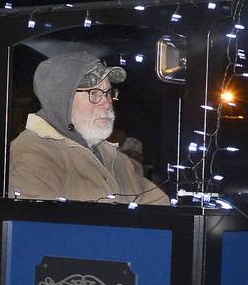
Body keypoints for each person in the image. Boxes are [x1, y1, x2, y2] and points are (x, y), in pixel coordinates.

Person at [9, 52, 168, 204]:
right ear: (63, 101)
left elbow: (162, 211)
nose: (107, 103)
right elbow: (38, 229)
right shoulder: (29, 159)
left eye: (108, 93)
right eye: (94, 93)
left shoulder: (114, 158)